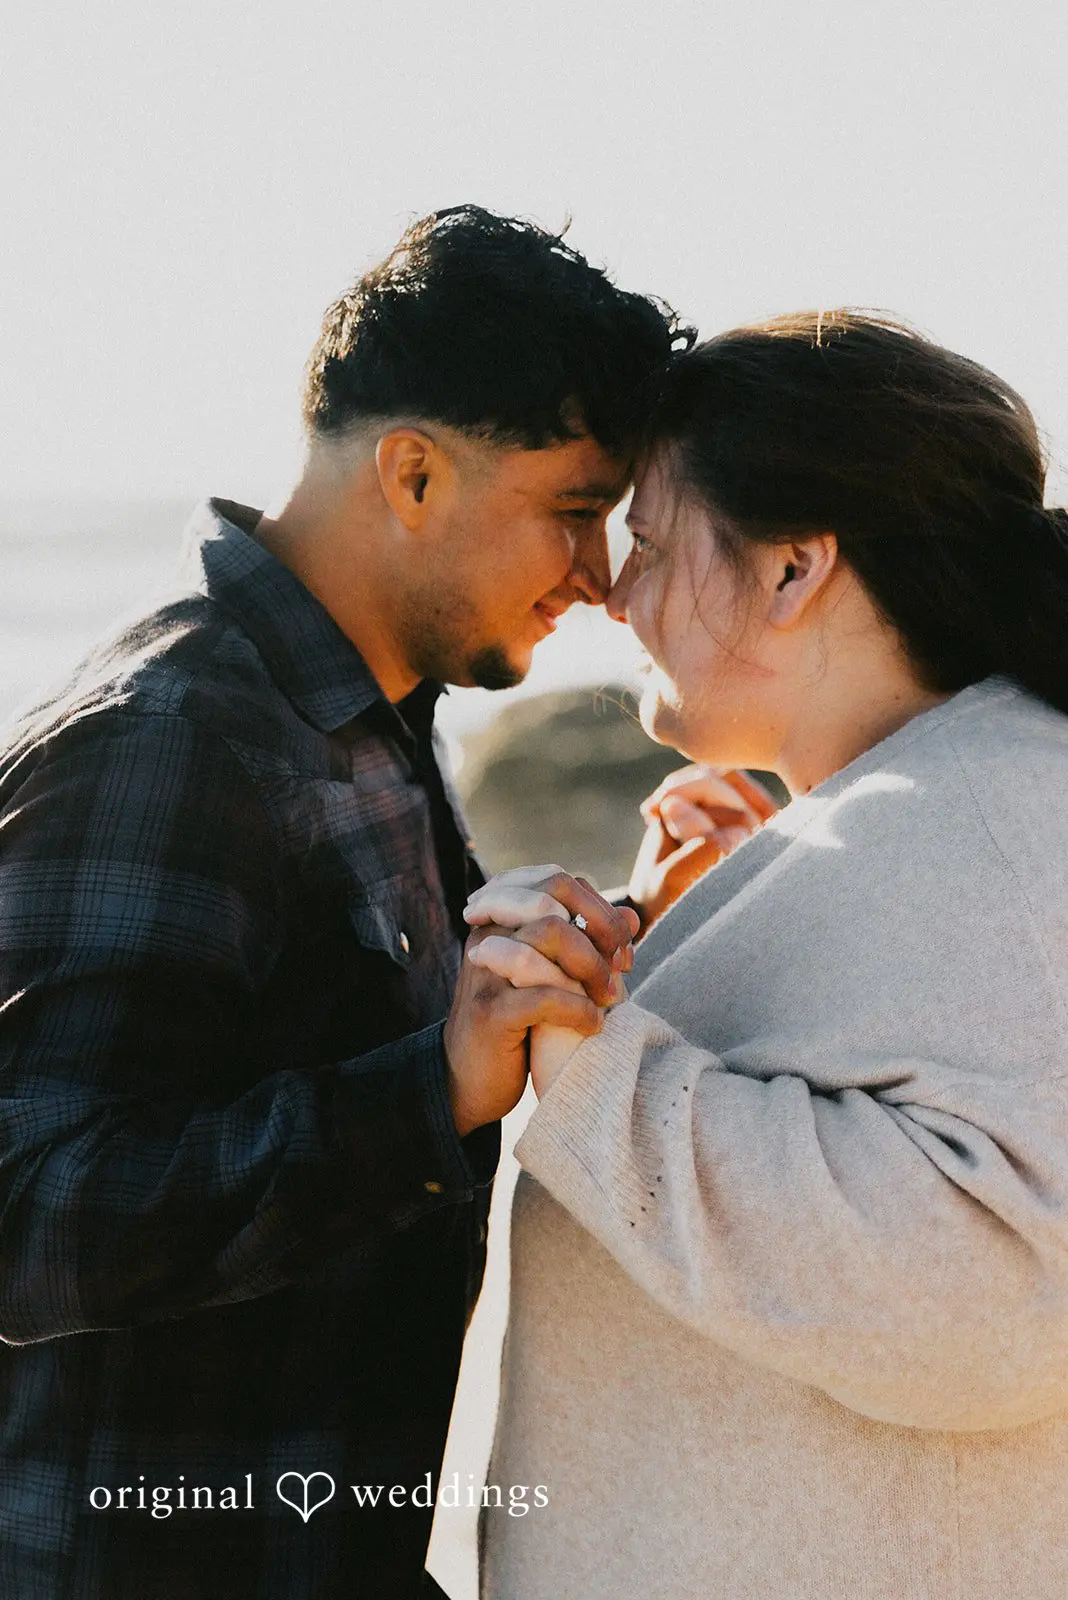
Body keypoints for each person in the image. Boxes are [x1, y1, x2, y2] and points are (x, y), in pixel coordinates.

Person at [0, 205, 686, 1599]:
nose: (603, 577)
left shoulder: (362, 711)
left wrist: (635, 923)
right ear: (414, 474)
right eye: (573, 511)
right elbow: (31, 1224)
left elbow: (326, 1027)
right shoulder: (169, 739)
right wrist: (428, 1086)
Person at [466, 312, 1068, 1598]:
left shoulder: (984, 820)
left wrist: (585, 1054)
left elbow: (1002, 1290)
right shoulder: (932, 800)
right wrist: (688, 936)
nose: (613, 594)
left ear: (795, 570)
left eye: (651, 542)